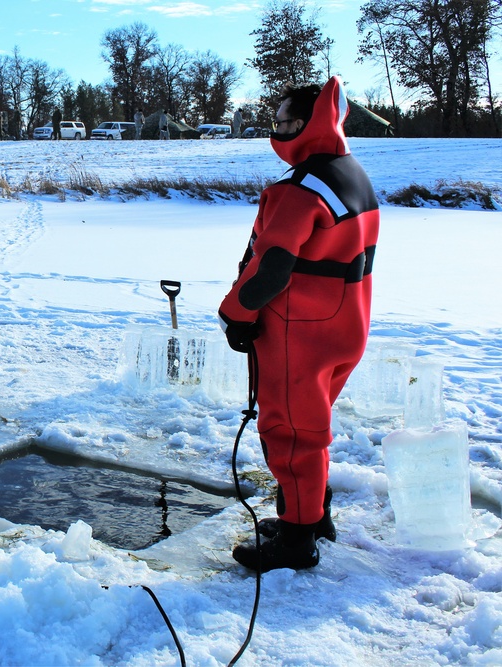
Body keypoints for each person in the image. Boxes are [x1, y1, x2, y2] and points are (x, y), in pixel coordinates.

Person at [218, 76, 379, 572]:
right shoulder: (351, 174)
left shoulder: (301, 189)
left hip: (300, 331)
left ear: (312, 123)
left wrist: (234, 314)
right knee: (313, 427)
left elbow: (271, 268)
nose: (278, 129)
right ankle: (313, 517)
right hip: (345, 326)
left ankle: (295, 541)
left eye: (286, 120)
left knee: (289, 433)